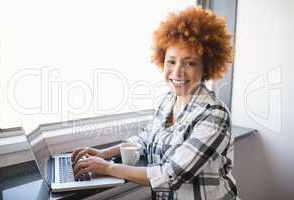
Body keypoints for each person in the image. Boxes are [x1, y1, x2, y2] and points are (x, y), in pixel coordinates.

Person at [71, 6, 239, 200]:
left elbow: (172, 175)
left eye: (190, 63)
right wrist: (104, 153)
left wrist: (108, 168)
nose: (177, 72)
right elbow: (145, 139)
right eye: (171, 61)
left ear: (206, 66)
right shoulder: (166, 102)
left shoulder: (214, 115)